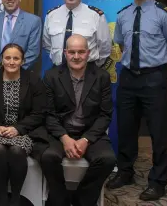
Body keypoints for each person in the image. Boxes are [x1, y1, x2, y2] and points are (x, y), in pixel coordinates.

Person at [106, 0, 167, 201]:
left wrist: (165, 72)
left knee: (158, 131)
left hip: (154, 77)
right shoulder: (124, 14)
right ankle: (125, 172)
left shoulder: (165, 14)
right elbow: (123, 46)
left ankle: (158, 181)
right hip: (128, 77)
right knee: (126, 129)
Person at [40, 34, 116, 206]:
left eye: (81, 52)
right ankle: (60, 198)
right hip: (61, 132)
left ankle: (82, 199)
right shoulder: (51, 76)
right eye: (72, 52)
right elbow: (48, 114)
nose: (76, 56)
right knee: (47, 157)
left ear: (88, 53)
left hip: (90, 132)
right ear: (65, 53)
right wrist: (64, 138)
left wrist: (86, 139)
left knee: (108, 159)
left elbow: (105, 115)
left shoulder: (102, 76)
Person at [0, 43, 48, 206]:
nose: (11, 62)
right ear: (1, 60)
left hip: (24, 132)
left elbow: (38, 113)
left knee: (17, 151)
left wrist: (17, 129)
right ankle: (2, 196)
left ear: (22, 61)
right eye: (7, 58)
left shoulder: (33, 80)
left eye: (16, 58)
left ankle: (16, 197)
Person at [43, 0, 111, 67]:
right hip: (58, 71)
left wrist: (92, 67)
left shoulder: (96, 15)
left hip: (87, 71)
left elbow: (105, 48)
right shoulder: (51, 15)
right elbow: (47, 45)